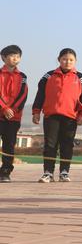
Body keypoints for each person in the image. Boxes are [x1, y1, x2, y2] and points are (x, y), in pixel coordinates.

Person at [32, 48, 82, 182]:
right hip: (51, 116)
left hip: (70, 117)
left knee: (67, 144)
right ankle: (48, 172)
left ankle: (64, 172)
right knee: (50, 145)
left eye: (71, 60)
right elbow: (40, 94)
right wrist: (36, 111)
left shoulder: (81, 78)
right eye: (64, 59)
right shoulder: (48, 76)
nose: (67, 62)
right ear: (59, 60)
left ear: (75, 61)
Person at [0, 45, 27, 182]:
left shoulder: (22, 77)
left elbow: (23, 95)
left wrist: (13, 110)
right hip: (1, 113)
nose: (15, 58)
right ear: (4, 58)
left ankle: (5, 171)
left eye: (17, 56)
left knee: (9, 145)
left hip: (13, 118)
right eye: (11, 55)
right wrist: (4, 108)